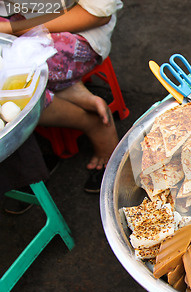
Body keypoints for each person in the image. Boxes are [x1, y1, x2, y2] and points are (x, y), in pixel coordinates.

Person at [0, 0, 123, 195]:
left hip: (74, 31)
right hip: (16, 21)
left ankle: (91, 122)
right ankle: (71, 89)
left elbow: (98, 14)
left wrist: (11, 29)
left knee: (15, 78)